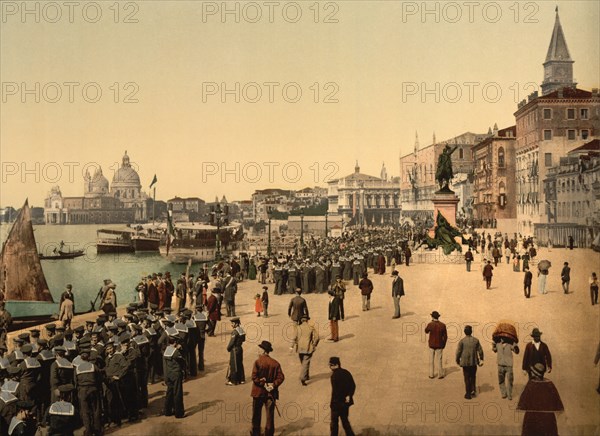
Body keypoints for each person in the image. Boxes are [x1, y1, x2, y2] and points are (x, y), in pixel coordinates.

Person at [517, 363, 564, 436]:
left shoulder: (531, 383)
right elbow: (556, 401)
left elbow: (523, 400)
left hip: (532, 418)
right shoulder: (549, 384)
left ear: (535, 373)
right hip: (548, 418)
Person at [251, 341, 285, 436]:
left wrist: (263, 384)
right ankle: (269, 434)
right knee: (270, 416)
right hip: (271, 394)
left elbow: (254, 377)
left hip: (258, 393)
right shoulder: (275, 363)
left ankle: (255, 433)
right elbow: (281, 377)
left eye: (260, 348)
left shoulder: (258, 362)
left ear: (263, 351)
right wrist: (273, 385)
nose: (258, 350)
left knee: (256, 415)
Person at [329, 356, 356, 436]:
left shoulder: (334, 376)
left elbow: (336, 392)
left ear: (336, 365)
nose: (330, 367)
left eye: (331, 365)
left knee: (334, 423)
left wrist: (332, 404)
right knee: (345, 421)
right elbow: (353, 385)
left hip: (337, 404)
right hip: (345, 403)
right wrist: (349, 395)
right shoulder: (346, 372)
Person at [456, 325, 484, 399]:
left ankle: (468, 394)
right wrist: (481, 359)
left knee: (467, 377)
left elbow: (458, 352)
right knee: (473, 376)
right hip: (473, 362)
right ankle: (473, 390)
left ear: (465, 332)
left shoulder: (462, 341)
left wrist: (457, 360)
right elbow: (480, 351)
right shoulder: (476, 340)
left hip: (465, 363)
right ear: (471, 332)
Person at [292, 315, 319, 386]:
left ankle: (306, 376)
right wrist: (314, 344)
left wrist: (292, 346)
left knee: (303, 363)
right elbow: (317, 337)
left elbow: (294, 337)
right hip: (308, 348)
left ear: (301, 320)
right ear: (307, 320)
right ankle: (303, 378)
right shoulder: (311, 327)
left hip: (300, 348)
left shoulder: (298, 327)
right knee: (306, 363)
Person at [163, 335, 185, 418]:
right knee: (177, 393)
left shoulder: (166, 350)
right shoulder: (176, 352)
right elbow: (182, 361)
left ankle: (167, 411)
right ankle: (179, 413)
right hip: (176, 373)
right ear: (175, 342)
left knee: (169, 392)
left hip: (169, 374)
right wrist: (180, 349)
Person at [425, 311, 447, 379]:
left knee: (431, 360)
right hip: (439, 344)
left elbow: (426, 331)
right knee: (439, 360)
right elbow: (445, 336)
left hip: (431, 344)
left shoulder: (430, 324)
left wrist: (430, 323)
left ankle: (431, 374)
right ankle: (440, 374)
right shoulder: (442, 325)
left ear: (432, 317)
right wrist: (443, 344)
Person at [226, 317, 246, 386]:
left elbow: (232, 342)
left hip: (234, 349)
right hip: (240, 348)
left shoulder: (235, 332)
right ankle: (241, 379)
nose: (232, 325)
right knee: (240, 363)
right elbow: (243, 340)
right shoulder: (241, 330)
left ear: (236, 323)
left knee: (234, 365)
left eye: (233, 323)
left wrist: (228, 348)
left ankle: (233, 381)